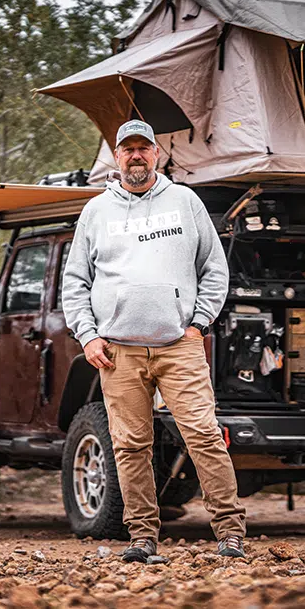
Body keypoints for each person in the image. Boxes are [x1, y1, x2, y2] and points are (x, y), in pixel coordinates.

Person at [61, 119, 247, 563]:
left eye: (145, 148)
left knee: (204, 436)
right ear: (118, 156)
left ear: (157, 155)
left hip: (177, 345)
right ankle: (142, 538)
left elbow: (214, 269)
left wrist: (198, 322)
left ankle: (231, 533)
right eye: (128, 149)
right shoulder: (96, 211)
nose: (137, 156)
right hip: (118, 351)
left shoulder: (185, 202)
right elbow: (75, 282)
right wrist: (87, 336)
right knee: (130, 445)